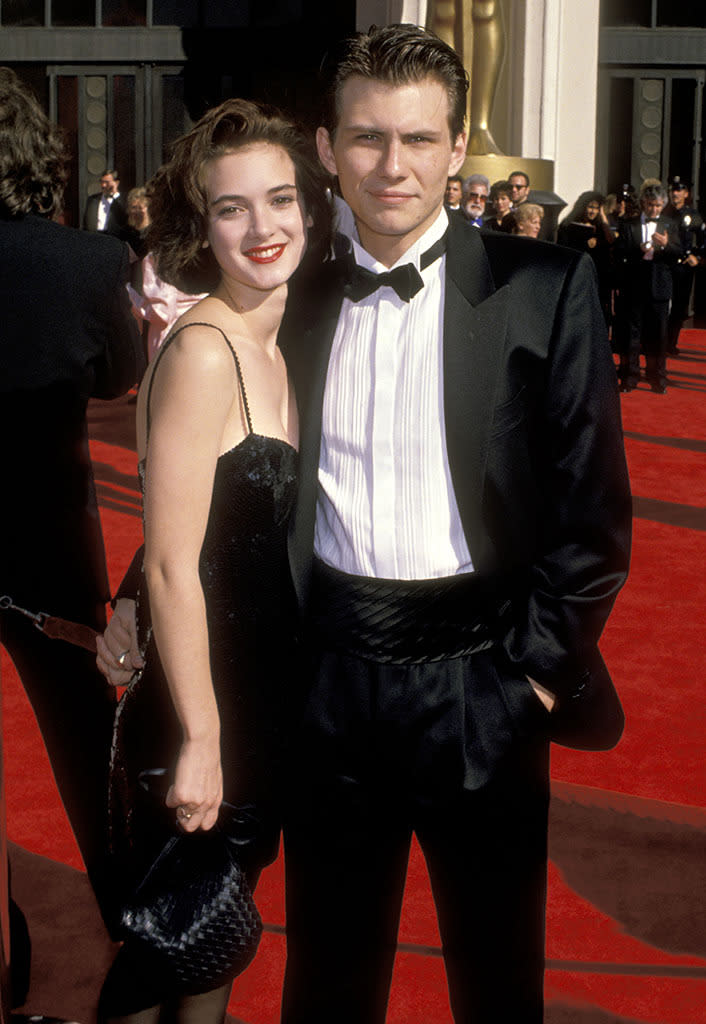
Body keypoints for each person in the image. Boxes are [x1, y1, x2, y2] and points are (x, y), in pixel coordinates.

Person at [100, 24, 631, 1024]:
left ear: (457, 145)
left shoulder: (541, 289)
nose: (394, 166)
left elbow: (593, 515)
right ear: (326, 145)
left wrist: (533, 680)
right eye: (368, 138)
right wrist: (138, 589)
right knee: (330, 984)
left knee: (496, 979)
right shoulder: (286, 292)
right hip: (327, 685)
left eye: (419, 140)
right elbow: (225, 482)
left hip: (485, 681)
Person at [97, 97, 331, 1023]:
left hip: (263, 705)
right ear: (204, 225)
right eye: (233, 207)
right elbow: (172, 566)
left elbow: (197, 524)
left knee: (207, 942)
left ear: (310, 209)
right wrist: (200, 741)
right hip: (206, 712)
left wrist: (125, 603)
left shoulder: (284, 340)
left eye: (280, 199)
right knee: (169, 956)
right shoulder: (202, 352)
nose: (263, 226)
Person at [0, 66, 143, 1001]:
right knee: (88, 743)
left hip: (45, 541)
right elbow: (116, 380)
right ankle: (132, 919)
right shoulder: (86, 264)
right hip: (45, 538)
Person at [614, 183, 681, 392]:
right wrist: (637, 249)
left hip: (659, 286)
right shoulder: (629, 224)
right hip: (634, 286)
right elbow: (618, 252)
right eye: (651, 205)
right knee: (631, 335)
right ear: (644, 203)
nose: (654, 210)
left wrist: (667, 244)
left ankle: (657, 377)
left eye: (659, 206)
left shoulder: (670, 224)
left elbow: (679, 253)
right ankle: (630, 376)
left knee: (658, 336)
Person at [558, 191, 615, 325]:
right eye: (590, 207)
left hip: (598, 279)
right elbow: (564, 248)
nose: (592, 212)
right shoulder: (568, 226)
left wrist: (604, 220)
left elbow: (611, 243)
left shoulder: (602, 228)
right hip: (578, 277)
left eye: (596, 208)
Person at [664, 175, 704, 355]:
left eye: (679, 190)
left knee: (679, 306)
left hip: (683, 267)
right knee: (663, 305)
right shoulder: (664, 213)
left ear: (686, 194)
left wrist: (697, 255)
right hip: (665, 264)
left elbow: (704, 238)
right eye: (673, 190)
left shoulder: (693, 215)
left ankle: (671, 344)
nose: (675, 193)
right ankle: (658, 343)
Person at [83, 167, 129, 238]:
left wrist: (114, 194)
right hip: (94, 237)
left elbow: (125, 219)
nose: (103, 185)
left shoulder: (124, 201)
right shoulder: (92, 199)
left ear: (116, 183)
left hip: (113, 238)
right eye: (102, 181)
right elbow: (85, 222)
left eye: (107, 182)